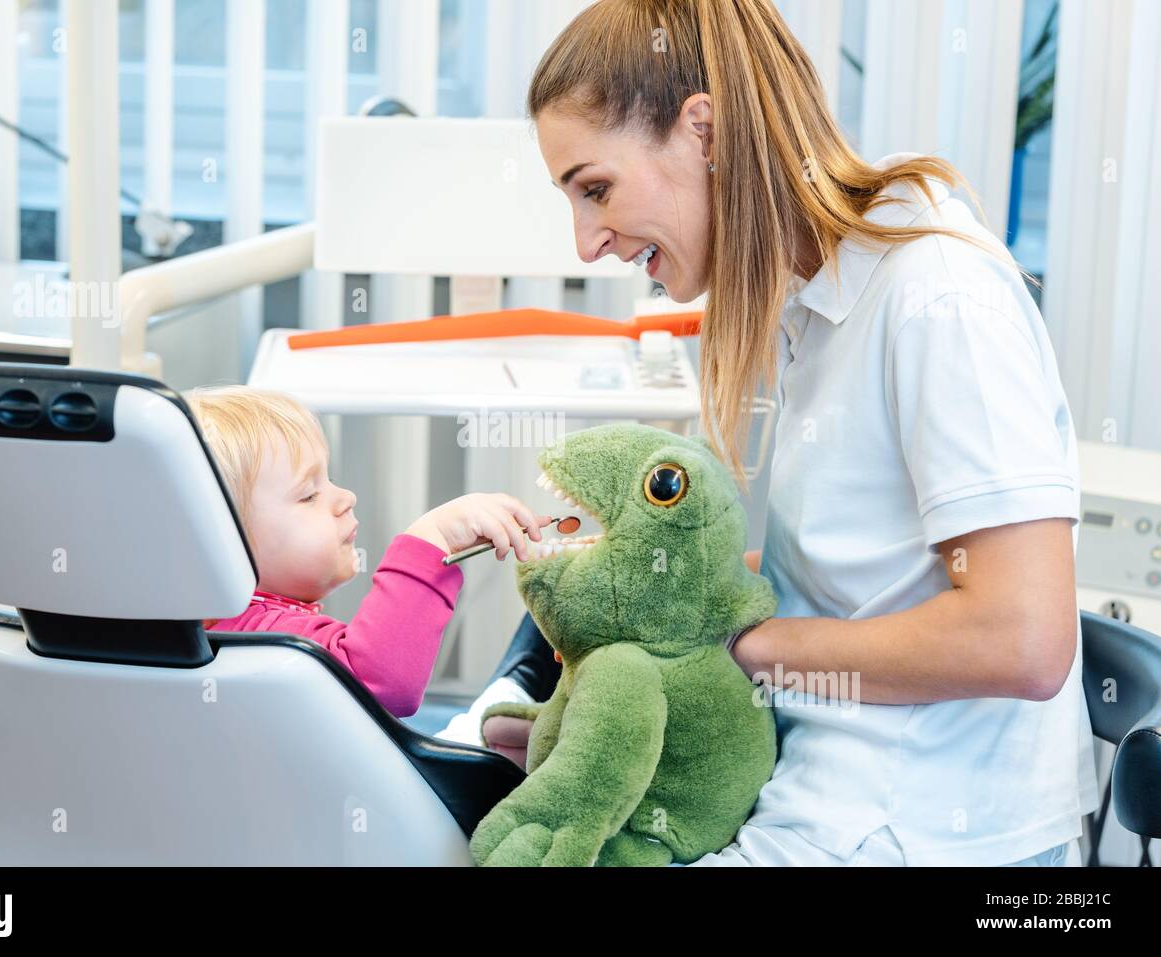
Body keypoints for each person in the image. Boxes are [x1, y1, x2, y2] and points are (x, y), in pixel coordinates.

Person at [442, 0, 1095, 867]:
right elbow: (851, 580)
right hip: (824, 798)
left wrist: (736, 645)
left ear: (702, 131)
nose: (588, 239)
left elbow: (1022, 636)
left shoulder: (935, 296)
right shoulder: (814, 308)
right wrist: (653, 583)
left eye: (595, 188)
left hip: (923, 825)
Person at [187, 385, 550, 718]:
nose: (346, 498)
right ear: (221, 540)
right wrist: (429, 540)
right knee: (543, 631)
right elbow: (382, 683)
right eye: (309, 494)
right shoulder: (263, 641)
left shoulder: (195, 633)